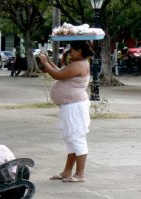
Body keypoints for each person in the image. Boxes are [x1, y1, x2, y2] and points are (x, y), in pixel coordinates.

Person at [39, 40, 93, 183]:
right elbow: (60, 71)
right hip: (69, 105)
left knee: (77, 137)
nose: (70, 53)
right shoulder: (77, 64)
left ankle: (80, 174)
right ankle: (67, 171)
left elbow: (57, 75)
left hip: (75, 106)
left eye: (73, 50)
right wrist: (49, 62)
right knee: (70, 139)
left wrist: (45, 63)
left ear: (80, 51)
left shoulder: (79, 65)